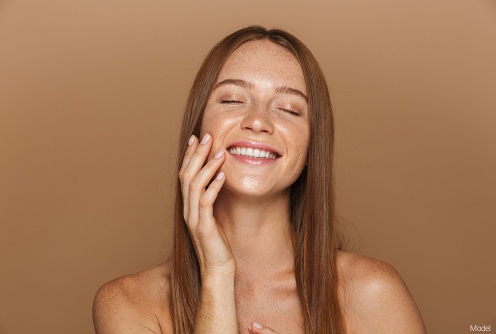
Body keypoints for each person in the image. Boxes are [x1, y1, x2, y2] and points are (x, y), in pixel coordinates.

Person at [92, 25, 426, 334]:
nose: (258, 121)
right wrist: (218, 274)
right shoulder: (127, 303)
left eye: (289, 109)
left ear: (311, 148)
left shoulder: (372, 293)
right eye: (233, 100)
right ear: (197, 128)